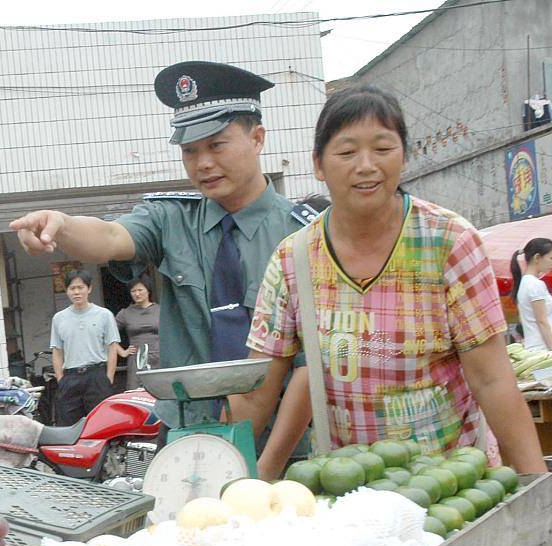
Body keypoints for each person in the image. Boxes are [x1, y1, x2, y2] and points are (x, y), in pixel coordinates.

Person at [233, 85, 545, 475]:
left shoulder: (449, 242)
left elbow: (493, 380)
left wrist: (536, 493)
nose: (366, 165)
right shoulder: (293, 259)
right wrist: (215, 473)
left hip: (455, 486)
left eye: (382, 149)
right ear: (318, 164)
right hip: (349, 493)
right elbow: (256, 392)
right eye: (347, 152)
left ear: (404, 156)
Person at [10, 61, 318, 436]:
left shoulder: (304, 235)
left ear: (257, 138)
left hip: (285, 439)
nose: (203, 163)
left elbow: (309, 364)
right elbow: (108, 237)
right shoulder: (171, 219)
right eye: (189, 151)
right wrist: (61, 224)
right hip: (188, 433)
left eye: (216, 145)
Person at [50, 270, 120, 423]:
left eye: (80, 287)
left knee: (100, 424)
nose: (76, 292)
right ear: (67, 291)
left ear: (89, 289)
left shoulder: (104, 315)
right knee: (69, 426)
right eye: (72, 288)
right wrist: (60, 379)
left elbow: (112, 348)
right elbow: (57, 351)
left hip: (97, 375)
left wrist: (108, 378)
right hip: (70, 378)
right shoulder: (59, 318)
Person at [115, 274, 160, 390]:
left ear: (148, 290)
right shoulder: (125, 313)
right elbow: (108, 335)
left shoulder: (160, 310)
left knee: (160, 392)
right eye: (133, 291)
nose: (137, 294)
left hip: (159, 358)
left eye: (140, 290)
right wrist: (122, 352)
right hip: (136, 360)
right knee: (136, 394)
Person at [511, 237, 552, 351]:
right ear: (537, 257)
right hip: (543, 349)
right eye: (551, 258)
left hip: (535, 347)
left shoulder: (525, 283)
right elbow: (542, 321)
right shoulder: (535, 284)